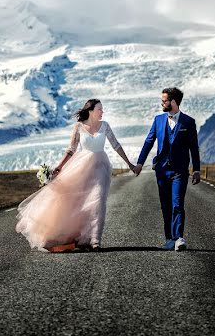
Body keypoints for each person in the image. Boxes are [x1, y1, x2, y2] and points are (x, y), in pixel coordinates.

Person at [15, 99, 136, 252]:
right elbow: (71, 150)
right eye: (99, 109)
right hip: (81, 166)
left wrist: (130, 164)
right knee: (80, 202)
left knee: (98, 201)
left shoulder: (105, 125)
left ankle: (95, 240)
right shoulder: (79, 126)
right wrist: (59, 167)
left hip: (101, 166)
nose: (102, 112)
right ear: (91, 110)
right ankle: (80, 237)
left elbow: (116, 145)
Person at [134, 87, 201, 251]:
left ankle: (178, 238)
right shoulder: (158, 120)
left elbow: (194, 147)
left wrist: (197, 169)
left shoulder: (188, 122)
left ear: (173, 102)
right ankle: (169, 238)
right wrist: (140, 163)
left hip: (180, 171)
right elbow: (149, 141)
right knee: (165, 205)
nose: (161, 103)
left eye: (164, 100)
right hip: (162, 171)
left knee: (177, 203)